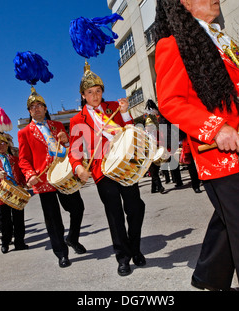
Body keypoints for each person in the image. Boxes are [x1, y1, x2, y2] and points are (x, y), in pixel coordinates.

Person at [154, 0, 239, 290]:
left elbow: (231, 92)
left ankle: (208, 277)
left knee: (229, 219)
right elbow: (170, 102)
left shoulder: (218, 37)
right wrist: (216, 128)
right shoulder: (172, 44)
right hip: (216, 152)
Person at [68, 62, 146, 276]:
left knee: (135, 208)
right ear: (83, 95)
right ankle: (123, 258)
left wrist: (126, 113)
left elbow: (130, 130)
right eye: (90, 92)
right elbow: (74, 151)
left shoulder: (113, 107)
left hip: (124, 165)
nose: (95, 95)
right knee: (115, 215)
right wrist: (78, 168)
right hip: (102, 171)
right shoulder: (77, 119)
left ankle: (135, 248)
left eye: (98, 91)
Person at [18, 87, 86, 268]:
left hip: (63, 174)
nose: (36, 108)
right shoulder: (24, 133)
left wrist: (66, 140)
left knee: (77, 207)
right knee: (53, 218)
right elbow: (23, 159)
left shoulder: (56, 126)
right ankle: (61, 253)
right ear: (29, 111)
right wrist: (30, 174)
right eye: (32, 107)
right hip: (43, 180)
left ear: (45, 108)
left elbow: (67, 148)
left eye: (39, 105)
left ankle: (72, 238)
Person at [0, 135, 28, 254]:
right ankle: (5, 243)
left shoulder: (15, 159)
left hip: (16, 192)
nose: (1, 145)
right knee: (5, 221)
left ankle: (20, 242)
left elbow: (21, 174)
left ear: (7, 145)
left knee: (19, 219)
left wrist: (25, 183)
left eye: (3, 143)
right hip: (2, 194)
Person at [144, 116, 165, 193]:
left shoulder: (157, 133)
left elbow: (162, 141)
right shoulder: (143, 134)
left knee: (155, 172)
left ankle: (153, 189)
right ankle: (160, 187)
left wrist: (158, 144)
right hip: (148, 155)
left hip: (156, 154)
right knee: (153, 172)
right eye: (149, 126)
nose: (151, 127)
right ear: (146, 127)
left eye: (151, 126)